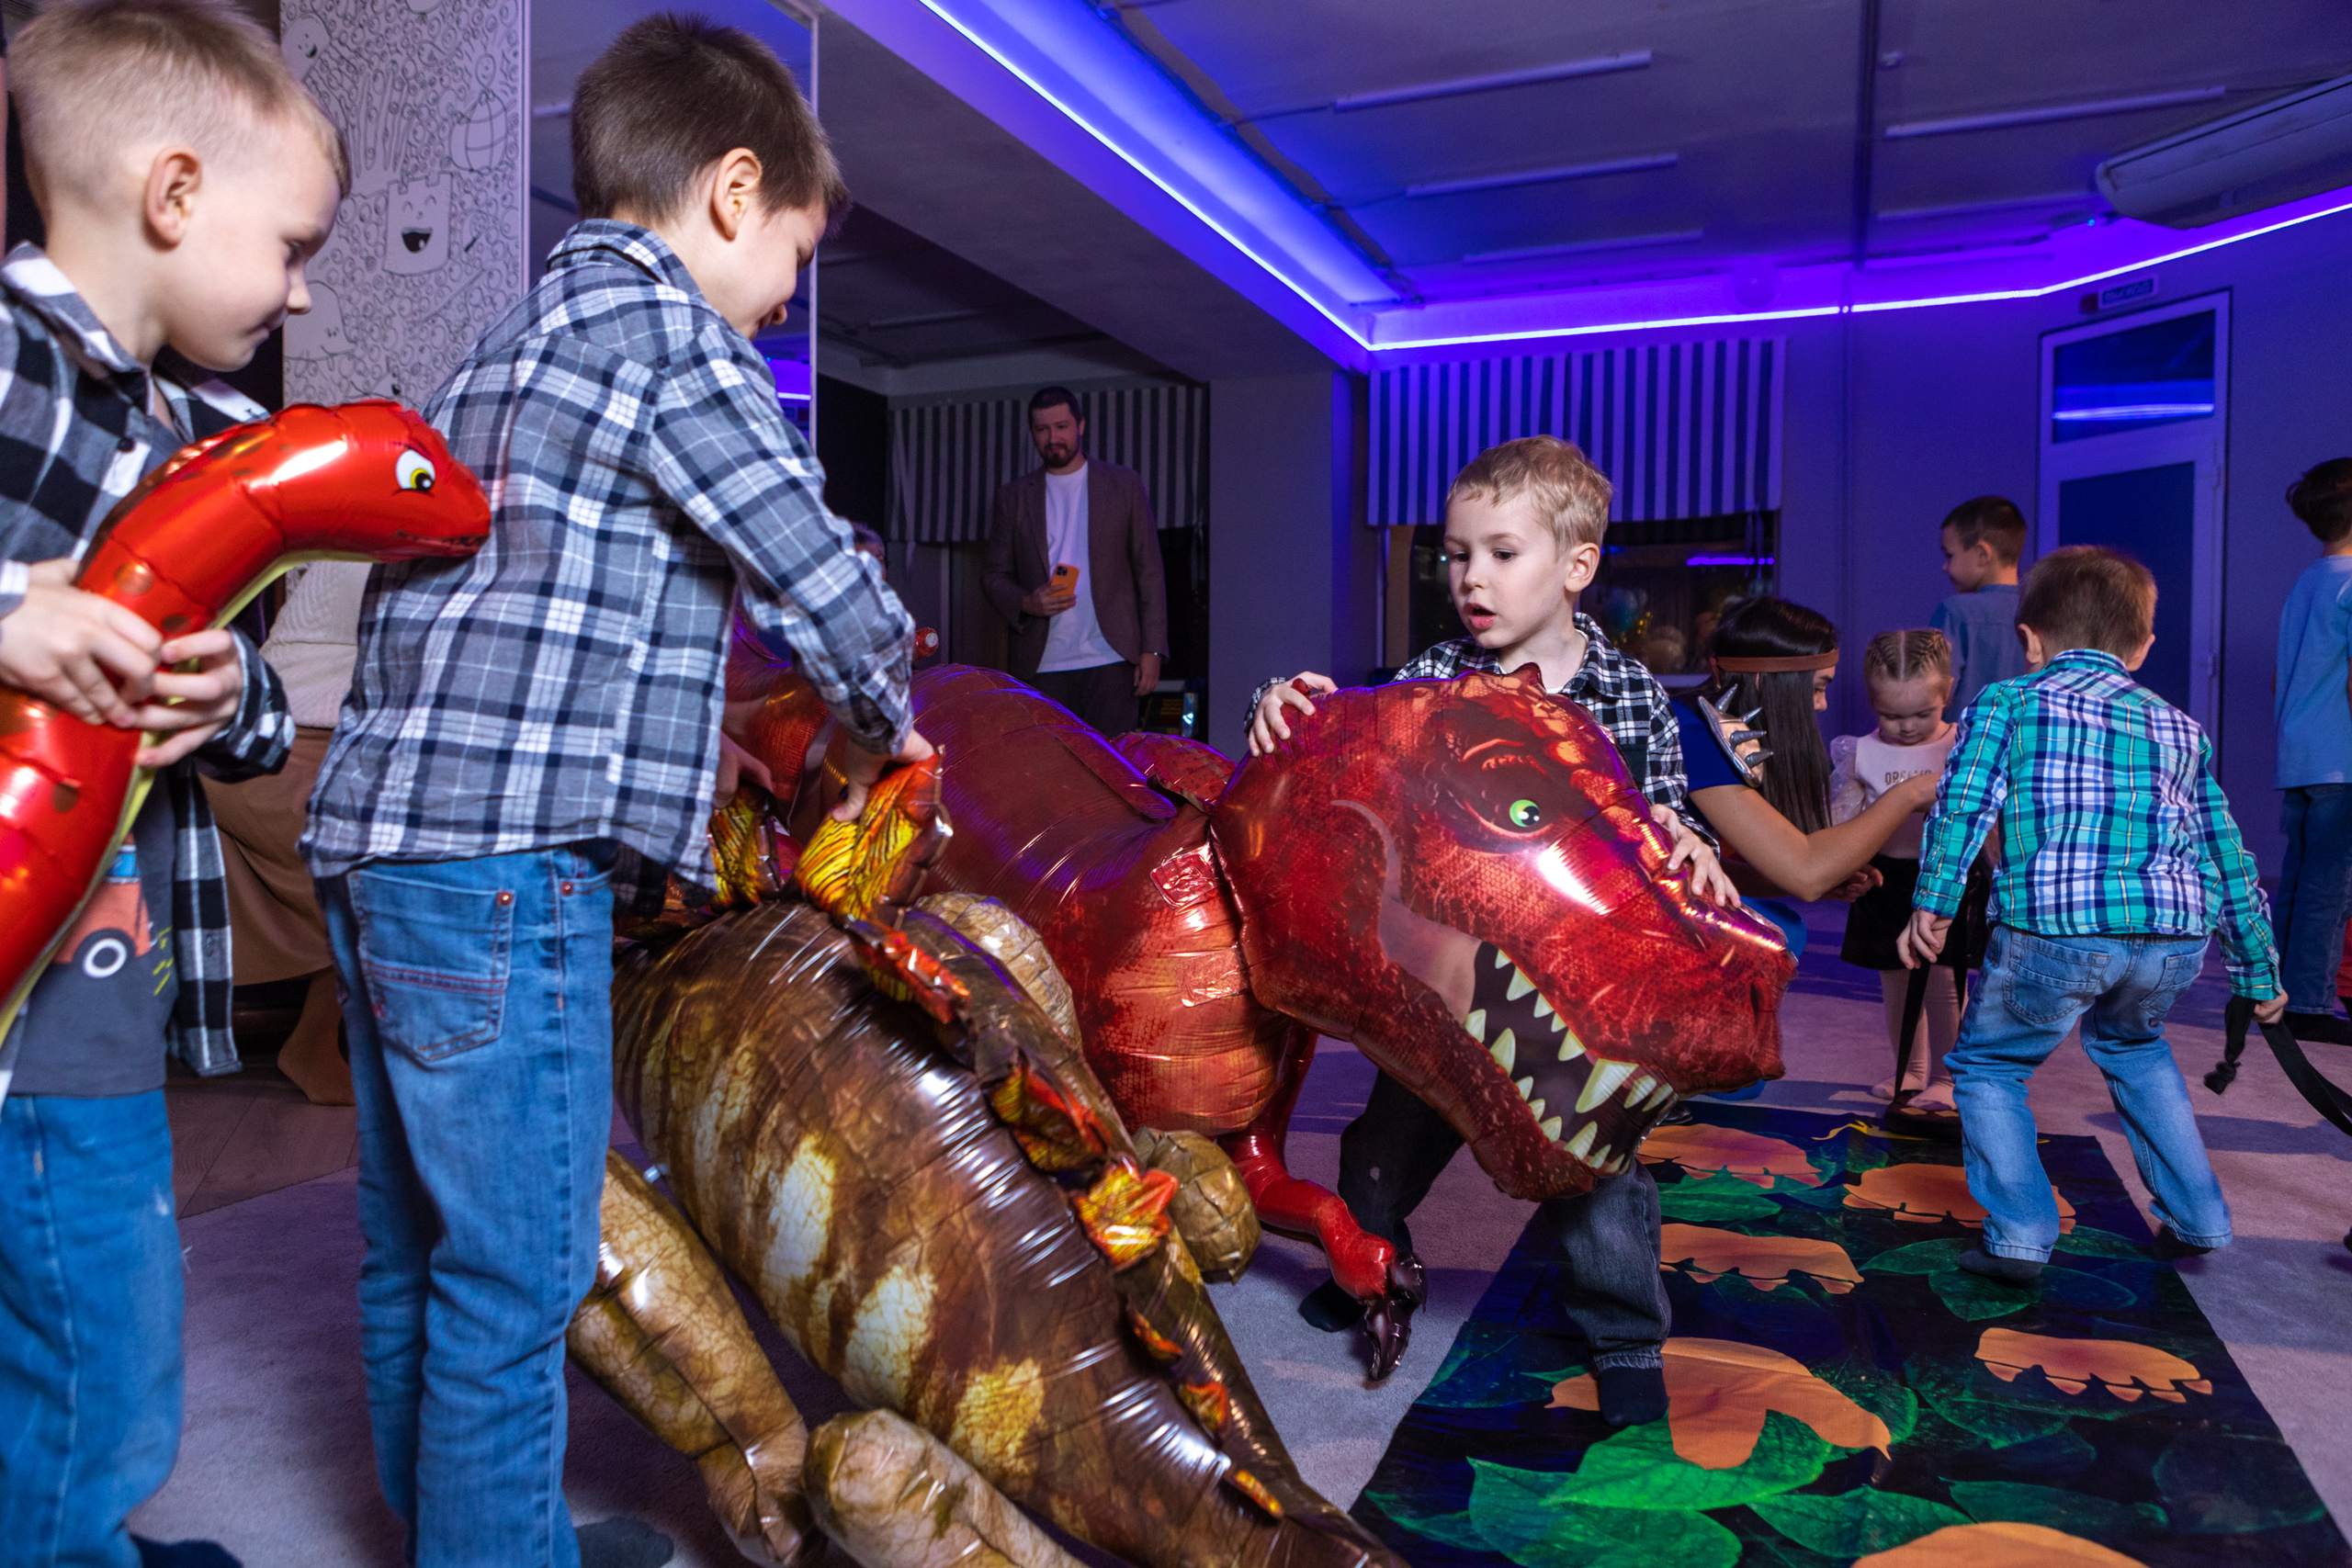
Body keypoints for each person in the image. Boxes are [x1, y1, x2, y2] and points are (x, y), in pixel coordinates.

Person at [300, 17, 923, 1565]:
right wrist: (897, 719)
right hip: (513, 872)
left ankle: (452, 1527)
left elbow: (525, 612)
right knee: (523, 1271)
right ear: (730, 192)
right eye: (795, 252)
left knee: (416, 1247)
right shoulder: (674, 343)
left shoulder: (507, 347)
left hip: (381, 850)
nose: (788, 295)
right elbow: (820, 578)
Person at [0, 3, 343, 1562]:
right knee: (84, 1321)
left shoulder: (217, 438)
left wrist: (231, 693)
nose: (300, 286)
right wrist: (19, 610)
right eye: (287, 246)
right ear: (174, 194)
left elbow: (250, 711)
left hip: (100, 967)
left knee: (103, 1298)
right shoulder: (10, 363)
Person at [1248, 434, 1731, 1418]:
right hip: (1450, 987)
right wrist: (1280, 706)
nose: (1471, 577)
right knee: (1378, 1151)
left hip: (1566, 1005)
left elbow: (1664, 814)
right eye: (1458, 554)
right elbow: (1361, 751)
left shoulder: (1628, 693)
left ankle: (1626, 1339)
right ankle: (1368, 1269)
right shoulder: (1433, 671)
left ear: (1577, 566)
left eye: (1501, 554)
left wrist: (1688, 845)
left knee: (1592, 1180)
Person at [1901, 547, 2286, 1283]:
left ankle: (2018, 1234)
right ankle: (2200, 1218)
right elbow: (2225, 852)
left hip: (2055, 927)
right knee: (2139, 1053)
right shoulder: (2180, 727)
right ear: (2142, 646)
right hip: (2171, 937)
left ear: (2030, 638)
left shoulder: (2008, 702)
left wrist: (1935, 902)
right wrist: (2258, 969)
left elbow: (1962, 805)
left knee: (1989, 1065)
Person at [201, 559, 370, 1105]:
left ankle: (326, 1041)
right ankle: (315, 1043)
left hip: (320, 737)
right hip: (272, 745)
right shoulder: (396, 523)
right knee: (371, 855)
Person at [982, 386, 1168, 736]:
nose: (1053, 438)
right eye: (1042, 429)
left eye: (1062, 426)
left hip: (1113, 657)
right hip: (1042, 663)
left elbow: (1150, 572)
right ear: (1032, 433)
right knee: (1052, 775)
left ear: (1080, 426)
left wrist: (1152, 651)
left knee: (1115, 772)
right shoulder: (1013, 497)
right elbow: (993, 575)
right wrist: (1026, 602)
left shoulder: (1123, 484)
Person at [1830, 629, 1962, 1111]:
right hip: (1885, 877)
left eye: (1922, 714)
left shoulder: (1959, 746)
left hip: (1942, 877)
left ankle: (1948, 1076)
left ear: (1947, 690)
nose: (1907, 728)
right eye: (1891, 715)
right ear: (1871, 702)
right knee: (1896, 976)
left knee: (1944, 979)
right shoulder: (1860, 751)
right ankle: (1911, 1066)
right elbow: (1845, 817)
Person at [2272, 458, 2352, 1045]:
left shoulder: (2307, 579)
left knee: (2299, 879)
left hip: (2299, 754)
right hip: (2340, 758)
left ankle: (2277, 993)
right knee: (2331, 883)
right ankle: (2311, 1005)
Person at [1928, 495, 2029, 716]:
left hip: (1966, 747)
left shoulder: (1955, 612)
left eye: (1949, 555)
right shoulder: (2042, 611)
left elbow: (1931, 698)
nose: (1945, 567)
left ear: (1982, 554)